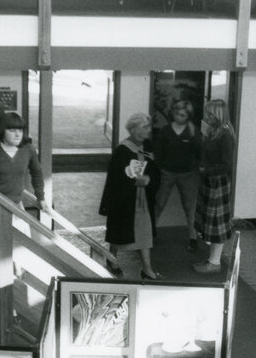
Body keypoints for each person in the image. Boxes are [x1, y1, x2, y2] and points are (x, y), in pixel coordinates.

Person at [98, 113, 161, 280]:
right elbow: (116, 178)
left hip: (143, 200)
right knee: (119, 234)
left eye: (148, 127)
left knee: (145, 231)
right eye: (144, 127)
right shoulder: (123, 150)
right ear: (133, 129)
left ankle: (147, 268)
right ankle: (112, 259)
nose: (148, 131)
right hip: (125, 201)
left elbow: (154, 171)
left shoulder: (147, 146)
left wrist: (149, 179)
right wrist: (133, 182)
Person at [153, 99, 203, 253]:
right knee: (159, 203)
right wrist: (159, 169)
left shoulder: (193, 131)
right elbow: (158, 152)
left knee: (189, 207)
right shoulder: (166, 130)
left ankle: (192, 238)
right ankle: (150, 234)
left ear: (188, 116)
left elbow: (200, 153)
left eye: (182, 115)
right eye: (176, 114)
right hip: (167, 172)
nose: (178, 117)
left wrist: (194, 136)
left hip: (187, 174)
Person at [193, 100, 237, 274]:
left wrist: (206, 169)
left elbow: (226, 165)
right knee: (211, 223)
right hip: (210, 181)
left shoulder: (225, 135)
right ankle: (212, 259)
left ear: (218, 115)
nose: (207, 117)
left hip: (218, 182)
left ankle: (215, 262)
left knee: (217, 224)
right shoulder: (214, 132)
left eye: (210, 114)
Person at [0, 112, 48, 212]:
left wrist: (41, 198)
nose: (17, 134)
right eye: (12, 130)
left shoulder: (28, 149)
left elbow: (37, 173)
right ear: (2, 132)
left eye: (20, 130)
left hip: (16, 206)